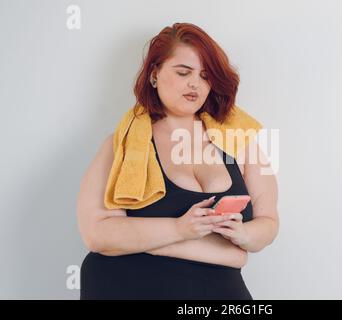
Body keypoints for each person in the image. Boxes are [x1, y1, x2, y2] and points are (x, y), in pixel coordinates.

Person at [76, 22, 279, 300]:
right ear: (154, 74)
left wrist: (242, 236)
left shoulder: (240, 142)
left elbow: (268, 222)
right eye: (183, 72)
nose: (195, 83)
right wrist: (181, 229)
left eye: (205, 75)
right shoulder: (121, 145)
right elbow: (97, 234)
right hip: (127, 286)